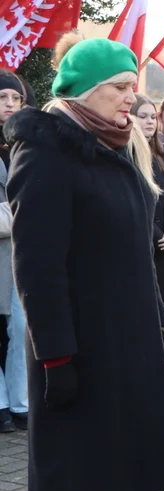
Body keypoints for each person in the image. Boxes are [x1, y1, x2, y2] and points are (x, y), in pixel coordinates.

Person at [6, 34, 164, 491]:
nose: (131, 98)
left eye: (133, 85)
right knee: (63, 472)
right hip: (72, 348)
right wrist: (57, 355)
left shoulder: (110, 146)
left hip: (120, 342)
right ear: (86, 90)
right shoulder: (47, 153)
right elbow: (37, 267)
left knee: (95, 469)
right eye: (120, 87)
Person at [132, 95, 164, 377]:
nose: (150, 122)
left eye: (153, 116)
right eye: (143, 116)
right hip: (143, 244)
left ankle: (163, 362)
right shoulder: (125, 156)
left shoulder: (161, 157)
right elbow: (136, 204)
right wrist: (157, 233)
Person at [0, 72, 27, 432]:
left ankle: (21, 401)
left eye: (15, 98)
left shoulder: (28, 144)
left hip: (21, 253)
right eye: (3, 97)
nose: (9, 104)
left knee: (22, 328)